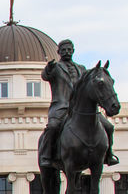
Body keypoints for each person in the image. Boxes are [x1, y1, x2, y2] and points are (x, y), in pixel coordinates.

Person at [38, 39, 117, 170]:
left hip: (81, 108)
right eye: (63, 50)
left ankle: (109, 155)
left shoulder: (82, 69)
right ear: (59, 52)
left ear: (73, 51)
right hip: (62, 106)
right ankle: (46, 155)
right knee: (52, 127)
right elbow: (45, 76)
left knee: (108, 126)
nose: (66, 52)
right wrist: (49, 68)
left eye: (69, 49)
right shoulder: (56, 68)